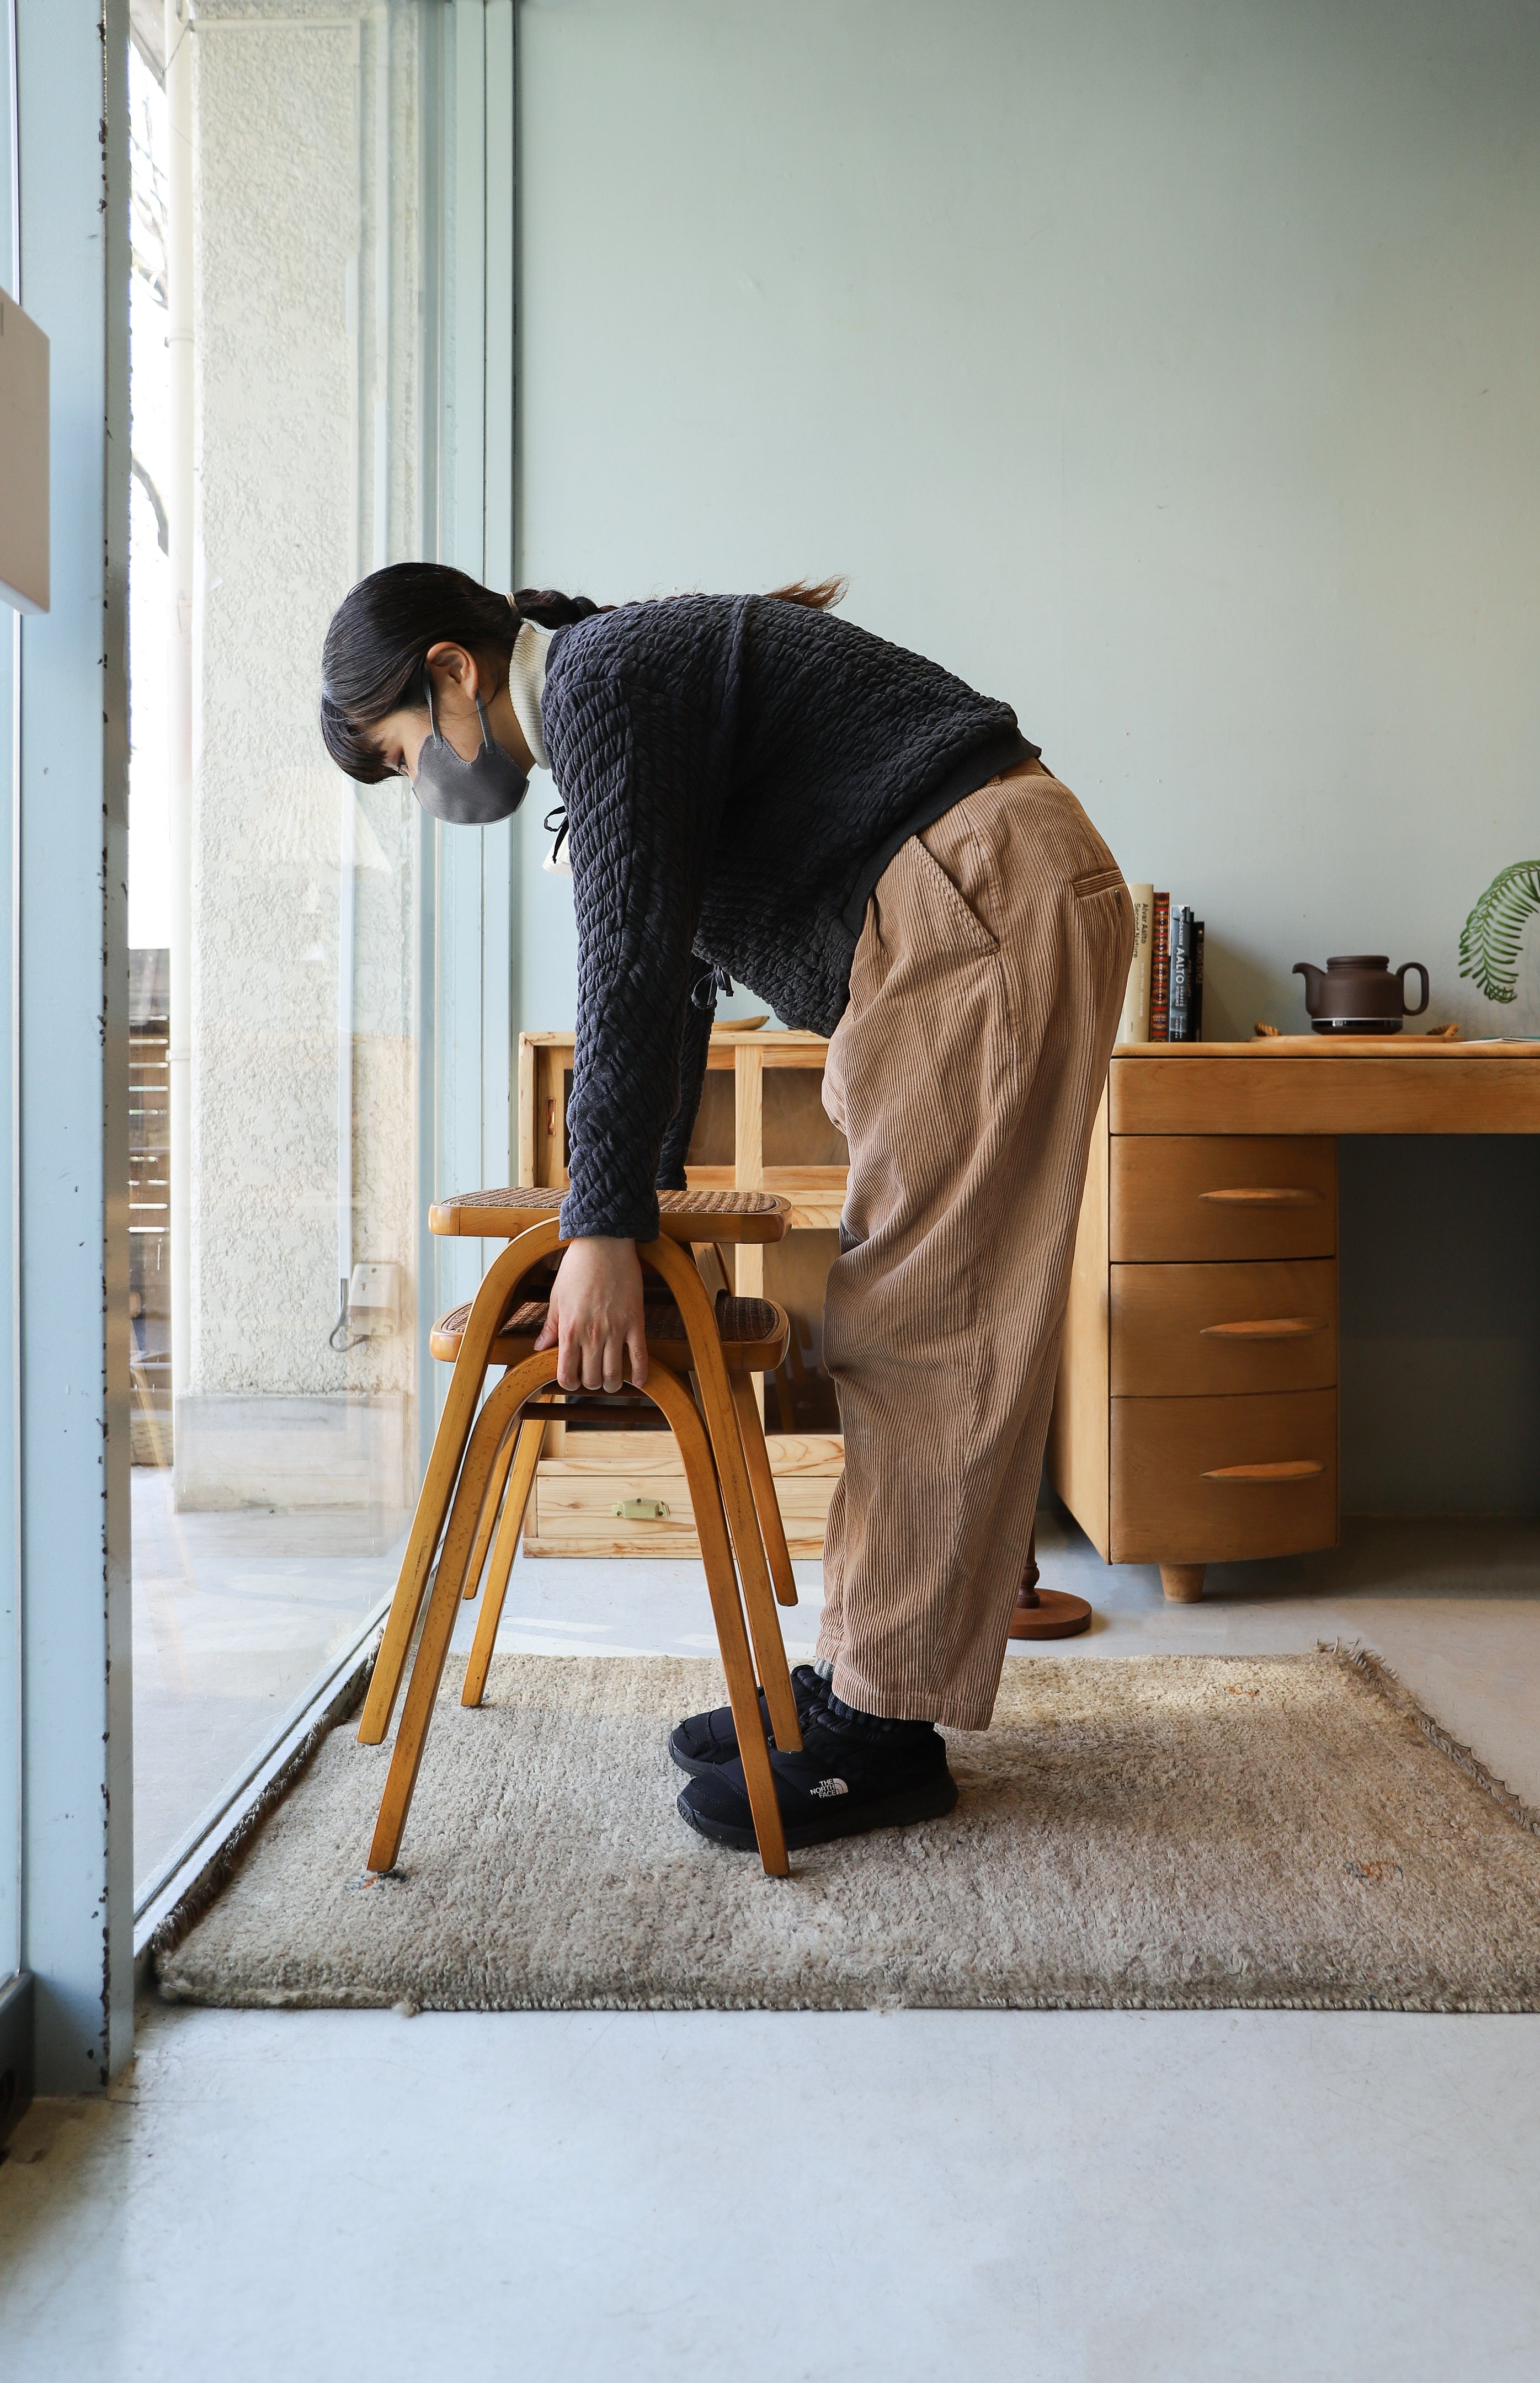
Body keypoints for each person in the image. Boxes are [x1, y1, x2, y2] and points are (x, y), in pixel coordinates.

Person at [320, 567, 1131, 1851]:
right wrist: (629, 1212)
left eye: (404, 750)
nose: (426, 785)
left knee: (923, 1318)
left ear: (454, 671)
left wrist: (602, 1229)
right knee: (911, 1305)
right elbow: (680, 987)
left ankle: (884, 1731)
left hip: (975, 891)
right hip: (968, 892)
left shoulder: (595, 683)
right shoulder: (615, 701)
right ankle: (865, 1678)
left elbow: (628, 964)